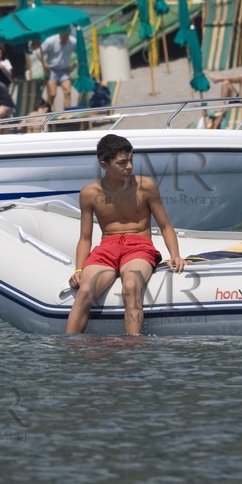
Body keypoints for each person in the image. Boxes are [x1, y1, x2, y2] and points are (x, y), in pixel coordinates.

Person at [66, 133, 185, 336]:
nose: (129, 166)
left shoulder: (145, 186)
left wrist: (175, 255)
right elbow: (85, 237)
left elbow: (165, 225)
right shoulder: (88, 193)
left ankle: (133, 344)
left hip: (139, 246)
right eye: (122, 163)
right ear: (104, 165)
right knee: (85, 291)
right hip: (107, 248)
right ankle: (69, 347)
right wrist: (78, 269)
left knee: (130, 285)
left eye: (131, 160)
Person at [38, 28, 77, 112]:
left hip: (64, 70)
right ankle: (51, 113)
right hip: (52, 70)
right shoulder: (50, 41)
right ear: (60, 34)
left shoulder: (73, 42)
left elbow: (81, 53)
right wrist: (44, 64)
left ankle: (66, 116)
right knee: (52, 94)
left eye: (67, 35)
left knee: (67, 92)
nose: (65, 38)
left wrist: (74, 66)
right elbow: (39, 53)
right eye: (63, 35)